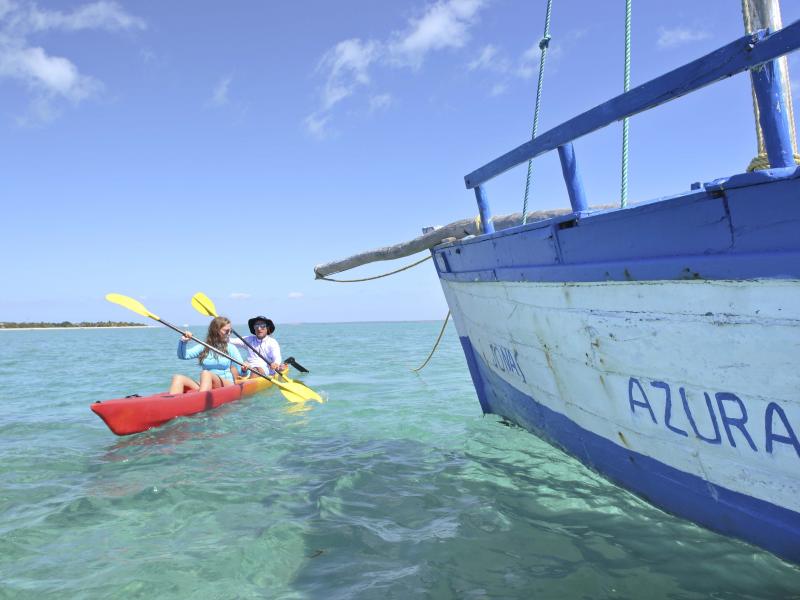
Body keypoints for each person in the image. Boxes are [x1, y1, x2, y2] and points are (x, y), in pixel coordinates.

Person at [168, 316, 247, 394]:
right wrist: (183, 341)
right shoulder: (203, 347)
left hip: (226, 384)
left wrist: (244, 369)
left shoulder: (231, 348)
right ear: (216, 331)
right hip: (206, 382)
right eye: (226, 331)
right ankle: (172, 402)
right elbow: (183, 356)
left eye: (230, 331)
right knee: (178, 378)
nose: (229, 334)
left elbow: (241, 372)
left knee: (206, 373)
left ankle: (200, 399)